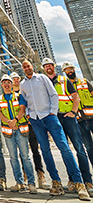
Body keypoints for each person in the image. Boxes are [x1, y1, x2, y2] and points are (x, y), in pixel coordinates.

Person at [20, 59, 90, 200]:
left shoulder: (42, 78)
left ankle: (79, 183)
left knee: (64, 148)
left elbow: (53, 94)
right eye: (24, 67)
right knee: (45, 150)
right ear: (23, 69)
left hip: (50, 117)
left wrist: (52, 111)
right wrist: (28, 115)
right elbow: (24, 101)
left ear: (32, 66)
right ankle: (56, 182)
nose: (27, 68)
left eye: (28, 65)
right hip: (35, 120)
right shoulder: (23, 84)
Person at [43, 58, 93, 196]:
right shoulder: (45, 83)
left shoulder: (64, 80)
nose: (48, 68)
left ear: (54, 66)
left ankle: (87, 181)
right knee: (64, 150)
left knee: (79, 148)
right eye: (45, 66)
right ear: (44, 69)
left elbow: (75, 97)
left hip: (69, 118)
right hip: (55, 119)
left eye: (50, 65)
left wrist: (73, 112)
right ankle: (72, 180)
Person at [0, 74, 37, 194]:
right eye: (4, 82)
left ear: (11, 84)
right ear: (2, 85)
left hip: (20, 129)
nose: (7, 84)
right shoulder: (0, 98)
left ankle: (31, 183)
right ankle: (19, 183)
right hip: (8, 131)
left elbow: (22, 109)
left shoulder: (19, 96)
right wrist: (8, 122)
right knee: (13, 158)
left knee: (25, 157)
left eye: (8, 82)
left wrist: (15, 121)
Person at [10, 71, 49, 189]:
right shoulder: (10, 96)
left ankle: (40, 174)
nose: (16, 80)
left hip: (31, 123)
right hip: (20, 125)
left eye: (17, 78)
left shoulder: (25, 92)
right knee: (23, 152)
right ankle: (25, 174)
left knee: (35, 149)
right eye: (13, 79)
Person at [63, 61, 93, 169]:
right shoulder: (65, 87)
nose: (69, 71)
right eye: (66, 70)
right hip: (79, 121)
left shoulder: (84, 82)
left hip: (92, 118)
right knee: (89, 147)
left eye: (70, 69)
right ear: (64, 72)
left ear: (74, 69)